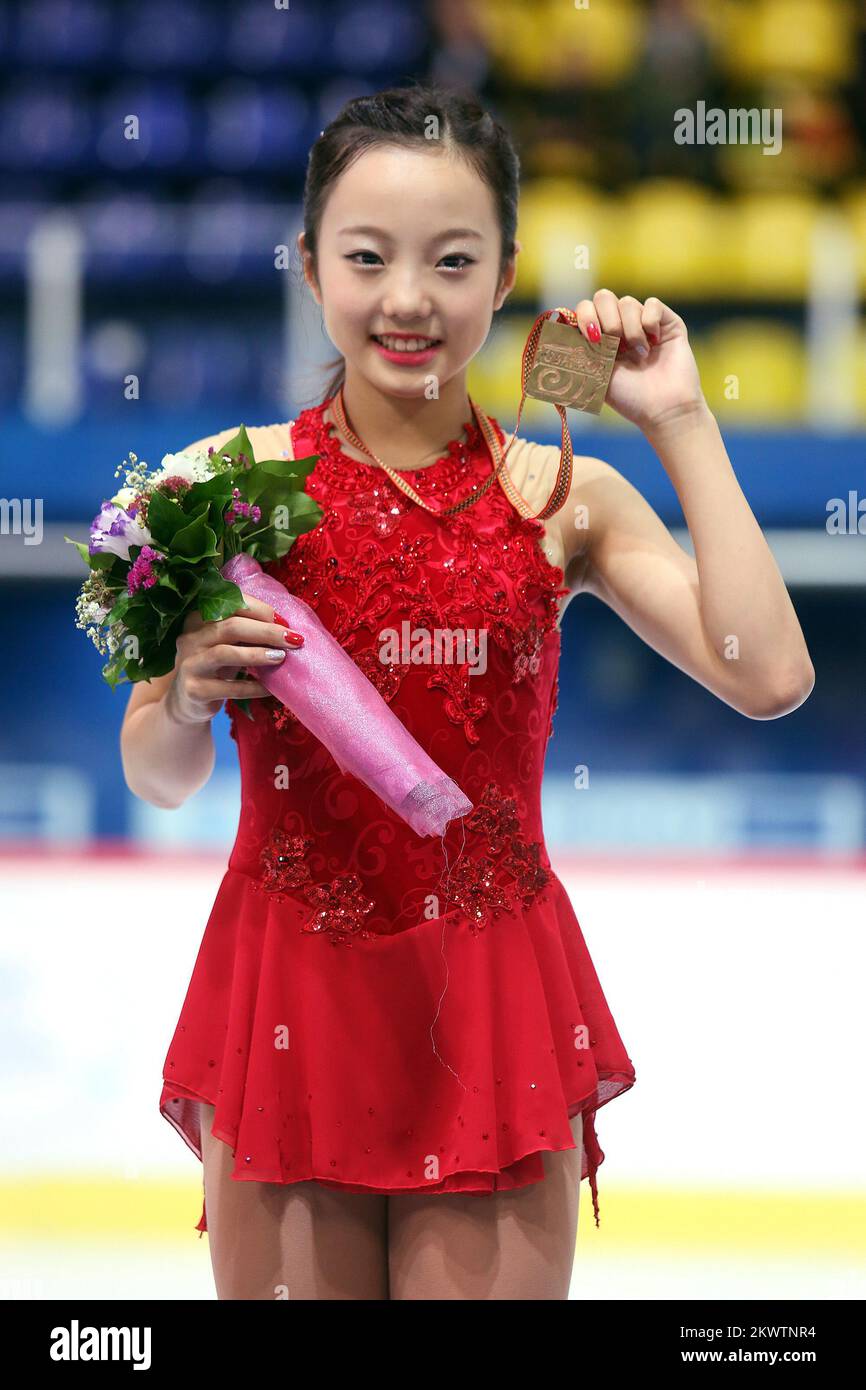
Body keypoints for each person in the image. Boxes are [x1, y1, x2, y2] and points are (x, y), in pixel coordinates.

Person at [120, 81, 814, 1300]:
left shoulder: (564, 496)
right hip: (291, 994)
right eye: (366, 257)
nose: (405, 299)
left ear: (501, 278)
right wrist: (179, 696)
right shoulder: (218, 491)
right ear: (307, 264)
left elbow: (769, 676)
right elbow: (160, 778)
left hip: (489, 1002)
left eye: (450, 262)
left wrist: (680, 419)